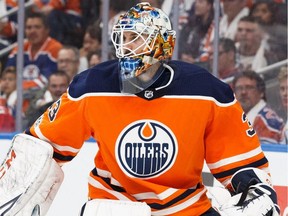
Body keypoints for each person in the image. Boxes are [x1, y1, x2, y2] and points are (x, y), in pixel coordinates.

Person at [0, 3, 280, 216]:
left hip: (185, 208)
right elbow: (41, 146)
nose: (127, 47)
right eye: (123, 38)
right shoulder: (92, 85)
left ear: (163, 44)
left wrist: (254, 188)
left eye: (137, 38)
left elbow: (240, 162)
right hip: (114, 207)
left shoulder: (207, 91)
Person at [5, 11, 63, 90]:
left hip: (44, 94)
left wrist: (18, 87)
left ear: (47, 30)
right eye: (29, 28)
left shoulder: (55, 48)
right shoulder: (19, 48)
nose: (32, 31)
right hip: (19, 93)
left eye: (37, 27)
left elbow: (47, 79)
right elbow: (8, 75)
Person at [232, 70, 285, 144]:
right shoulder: (237, 117)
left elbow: (267, 154)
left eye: (249, 87)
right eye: (239, 88)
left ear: (261, 93)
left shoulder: (266, 121)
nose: (243, 92)